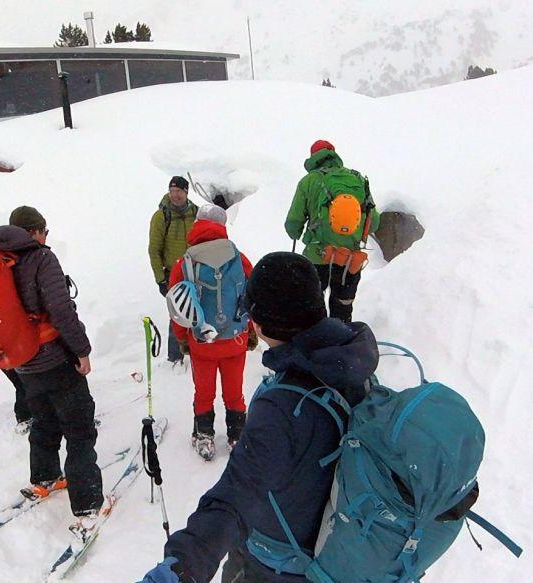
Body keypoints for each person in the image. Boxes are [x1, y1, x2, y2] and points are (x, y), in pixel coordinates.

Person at [140, 252, 380, 583]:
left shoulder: (284, 407)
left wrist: (183, 566)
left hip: (279, 563)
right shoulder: (350, 361)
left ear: (263, 322)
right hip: (337, 548)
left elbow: (236, 496)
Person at [0, 206, 106, 535]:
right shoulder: (40, 259)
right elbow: (61, 310)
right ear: (34, 232)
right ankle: (88, 504)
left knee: (44, 419)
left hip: (22, 362)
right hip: (54, 357)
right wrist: (81, 351)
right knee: (80, 429)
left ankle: (45, 477)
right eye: (45, 231)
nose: (46, 237)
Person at [167, 205, 257, 460]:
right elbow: (250, 296)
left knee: (203, 391)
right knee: (234, 389)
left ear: (197, 224)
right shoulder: (239, 258)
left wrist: (183, 338)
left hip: (202, 342)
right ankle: (237, 434)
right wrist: (249, 331)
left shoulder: (185, 262)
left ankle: (204, 435)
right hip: (235, 339)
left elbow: (178, 306)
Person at [284, 140, 380, 323]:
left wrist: (296, 232)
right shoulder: (358, 179)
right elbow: (374, 222)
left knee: (312, 306)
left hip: (318, 255)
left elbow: (293, 223)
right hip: (350, 259)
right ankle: (340, 341)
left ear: (313, 157)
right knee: (343, 306)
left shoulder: (309, 181)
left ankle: (316, 343)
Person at [148, 176, 199, 365]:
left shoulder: (196, 213)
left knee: (199, 311)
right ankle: (175, 356)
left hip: (197, 270)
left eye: (179, 191)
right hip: (173, 272)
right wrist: (160, 279)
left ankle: (198, 350)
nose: (175, 195)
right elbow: (154, 249)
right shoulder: (161, 216)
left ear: (186, 192)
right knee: (177, 314)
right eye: (172, 191)